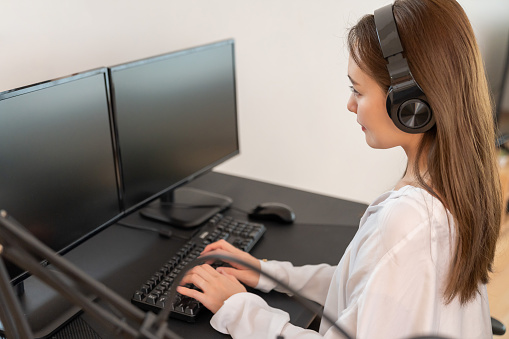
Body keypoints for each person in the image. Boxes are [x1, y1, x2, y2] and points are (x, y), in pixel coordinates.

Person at [177, 0, 503, 338]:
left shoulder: (407, 220)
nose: (350, 105)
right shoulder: (457, 185)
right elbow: (366, 287)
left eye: (357, 90)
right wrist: (268, 272)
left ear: (410, 105)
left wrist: (238, 308)